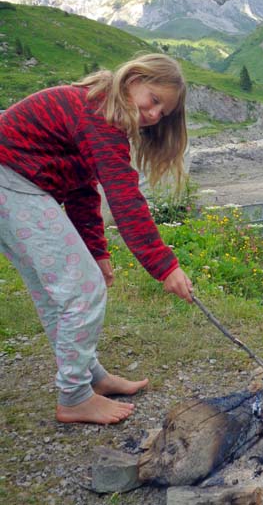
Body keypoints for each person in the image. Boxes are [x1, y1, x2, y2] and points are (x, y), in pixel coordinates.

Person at [0, 53, 194, 425]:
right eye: (154, 100)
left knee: (60, 291)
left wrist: (97, 253)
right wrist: (165, 266)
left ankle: (91, 378)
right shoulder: (101, 115)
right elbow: (124, 199)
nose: (154, 115)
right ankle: (74, 397)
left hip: (13, 183)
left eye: (163, 113)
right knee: (82, 288)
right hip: (11, 180)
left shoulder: (97, 108)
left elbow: (82, 190)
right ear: (134, 78)